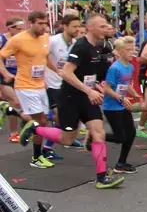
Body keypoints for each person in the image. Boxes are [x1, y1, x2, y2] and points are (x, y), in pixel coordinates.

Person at [17, 14, 124, 188]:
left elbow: (89, 74)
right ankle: (34, 128)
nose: (106, 29)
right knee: (67, 139)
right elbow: (66, 73)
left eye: (106, 26)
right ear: (90, 28)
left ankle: (102, 178)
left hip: (88, 98)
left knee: (99, 133)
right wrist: (88, 90)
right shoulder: (80, 46)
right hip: (70, 99)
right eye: (102, 26)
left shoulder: (97, 46)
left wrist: (97, 86)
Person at [0, 11, 58, 168]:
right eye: (40, 23)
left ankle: (11, 110)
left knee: (43, 121)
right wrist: (4, 72)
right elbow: (1, 55)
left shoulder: (45, 38)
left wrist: (58, 71)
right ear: (30, 23)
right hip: (25, 85)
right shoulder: (18, 39)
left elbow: (44, 59)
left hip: (40, 85)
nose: (43, 26)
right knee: (40, 121)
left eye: (45, 23)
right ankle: (36, 157)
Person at [102, 36, 141, 174]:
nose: (131, 52)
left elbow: (126, 83)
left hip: (122, 105)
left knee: (131, 133)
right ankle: (96, 135)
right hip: (111, 107)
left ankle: (121, 164)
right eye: (128, 50)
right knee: (120, 137)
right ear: (118, 51)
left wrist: (135, 94)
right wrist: (121, 98)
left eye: (132, 49)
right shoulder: (114, 68)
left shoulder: (129, 66)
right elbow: (107, 88)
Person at [44, 13, 81, 160]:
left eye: (79, 26)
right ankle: (47, 147)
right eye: (74, 27)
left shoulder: (75, 43)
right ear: (65, 26)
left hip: (66, 85)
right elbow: (43, 57)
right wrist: (56, 70)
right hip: (52, 84)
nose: (77, 29)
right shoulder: (53, 41)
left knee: (68, 116)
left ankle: (64, 138)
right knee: (59, 117)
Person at [0, 16, 24, 142]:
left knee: (16, 104)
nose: (20, 32)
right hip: (4, 77)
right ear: (10, 28)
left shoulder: (21, 41)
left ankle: (3, 107)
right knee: (15, 102)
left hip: (19, 76)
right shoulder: (1, 39)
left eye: (22, 29)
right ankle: (13, 133)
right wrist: (4, 73)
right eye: (18, 29)